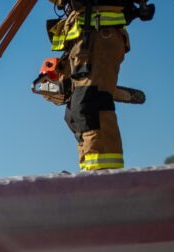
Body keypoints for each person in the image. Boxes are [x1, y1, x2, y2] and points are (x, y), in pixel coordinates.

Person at [45, 0, 152, 170]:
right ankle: (90, 171)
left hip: (100, 34)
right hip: (83, 38)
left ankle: (106, 174)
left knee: (90, 104)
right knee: (73, 115)